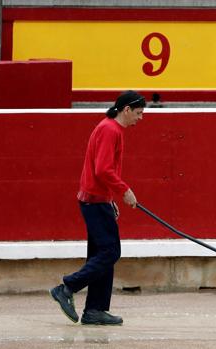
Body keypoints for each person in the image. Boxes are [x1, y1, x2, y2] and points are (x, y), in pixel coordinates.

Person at [50, 90, 146, 325]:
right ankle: (68, 287)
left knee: (101, 254)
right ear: (126, 110)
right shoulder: (110, 130)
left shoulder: (110, 129)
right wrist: (124, 190)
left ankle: (95, 310)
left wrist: (110, 199)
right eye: (138, 113)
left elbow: (99, 171)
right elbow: (103, 169)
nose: (140, 118)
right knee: (110, 252)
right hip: (94, 201)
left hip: (96, 199)